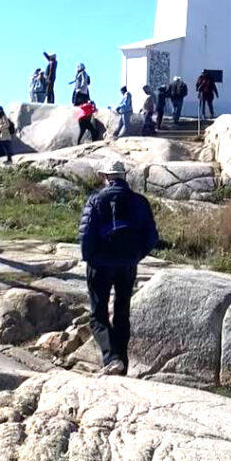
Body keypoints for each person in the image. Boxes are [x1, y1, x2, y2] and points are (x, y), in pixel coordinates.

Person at [77, 160, 159, 376]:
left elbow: (86, 234)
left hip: (100, 264)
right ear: (124, 177)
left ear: (106, 177)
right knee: (122, 313)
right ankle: (121, 364)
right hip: (127, 264)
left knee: (98, 315)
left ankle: (112, 358)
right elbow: (151, 236)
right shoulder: (140, 201)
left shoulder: (95, 200)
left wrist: (89, 257)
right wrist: (135, 256)